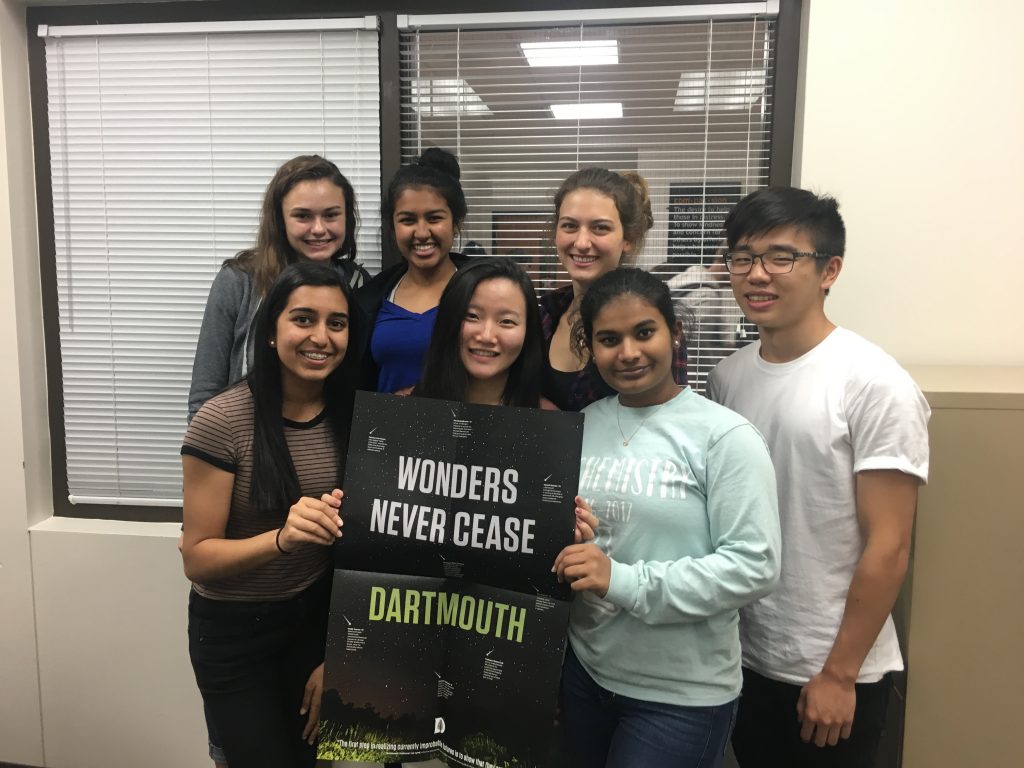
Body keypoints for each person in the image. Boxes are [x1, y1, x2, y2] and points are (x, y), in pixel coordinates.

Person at [706, 187, 930, 768]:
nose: (758, 274)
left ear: (830, 270)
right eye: (743, 257)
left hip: (829, 669)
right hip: (745, 655)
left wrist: (840, 673)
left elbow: (892, 543)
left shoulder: (874, 382)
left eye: (782, 258)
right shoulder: (728, 378)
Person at [553, 268, 781, 767]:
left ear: (674, 331)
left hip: (681, 695)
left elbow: (754, 565)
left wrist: (624, 581)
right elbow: (582, 546)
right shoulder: (581, 427)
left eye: (644, 332)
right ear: (590, 347)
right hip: (586, 674)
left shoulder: (723, 436)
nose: (629, 352)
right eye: (609, 339)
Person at [181, 261, 358, 768]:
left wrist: (336, 653)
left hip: (313, 621)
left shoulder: (355, 418)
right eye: (303, 319)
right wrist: (282, 538)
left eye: (337, 323)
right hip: (234, 634)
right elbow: (196, 559)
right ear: (271, 333)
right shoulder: (221, 420)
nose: (320, 337)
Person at [413, 257, 596, 537]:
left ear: (527, 333)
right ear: (448, 321)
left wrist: (571, 536)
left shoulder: (553, 428)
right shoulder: (400, 416)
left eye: (507, 321)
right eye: (471, 316)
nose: (487, 335)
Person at [189, 154, 367, 419]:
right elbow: (205, 393)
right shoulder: (240, 279)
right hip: (250, 445)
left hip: (328, 446)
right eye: (303, 216)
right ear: (280, 219)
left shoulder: (359, 284)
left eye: (331, 215)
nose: (319, 229)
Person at [541, 168, 687, 411]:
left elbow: (671, 417)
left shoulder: (652, 322)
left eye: (600, 228)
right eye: (569, 226)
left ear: (628, 238)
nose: (582, 242)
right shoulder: (544, 315)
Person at [355, 147, 471, 393]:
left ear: (456, 223)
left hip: (466, 429)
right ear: (393, 226)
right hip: (387, 429)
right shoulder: (369, 300)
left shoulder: (482, 290)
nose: (421, 232)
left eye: (434, 218)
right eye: (407, 220)